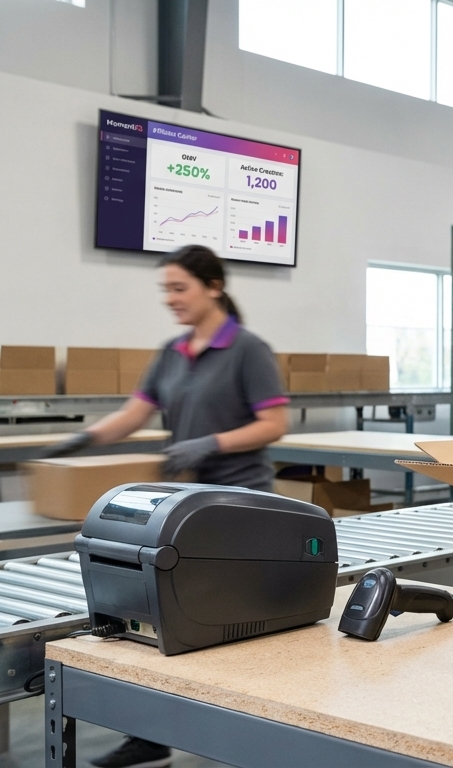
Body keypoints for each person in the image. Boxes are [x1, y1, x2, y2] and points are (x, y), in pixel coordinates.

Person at [43, 245, 289, 768]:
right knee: (157, 621)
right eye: (166, 289)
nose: (170, 299)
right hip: (183, 511)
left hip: (240, 510)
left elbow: (273, 425)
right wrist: (82, 440)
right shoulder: (172, 351)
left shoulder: (248, 350)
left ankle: (252, 729)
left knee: (225, 628)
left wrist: (210, 443)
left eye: (180, 288)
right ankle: (152, 736)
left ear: (213, 286)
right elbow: (135, 413)